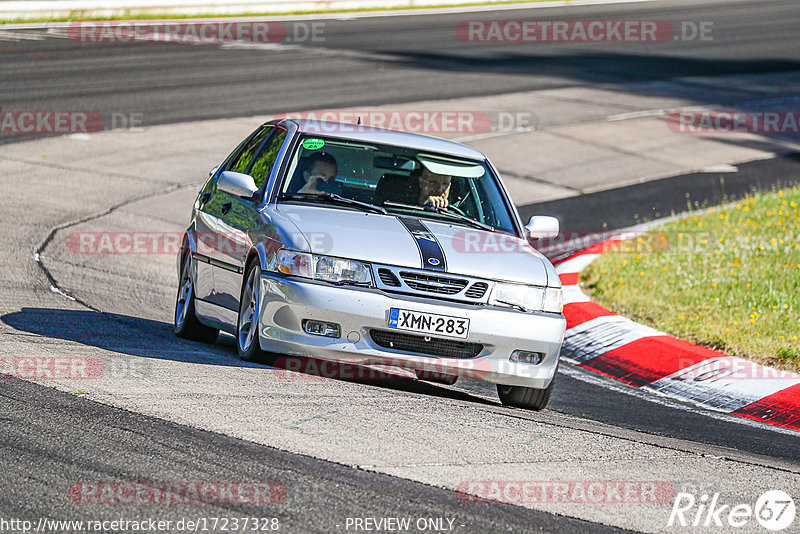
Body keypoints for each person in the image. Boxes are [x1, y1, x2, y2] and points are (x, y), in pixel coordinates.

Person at [374, 165, 451, 208]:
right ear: (421, 183)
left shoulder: (458, 214)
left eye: (445, 184)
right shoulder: (398, 205)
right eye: (433, 183)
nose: (439, 189)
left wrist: (444, 211)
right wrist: (426, 204)